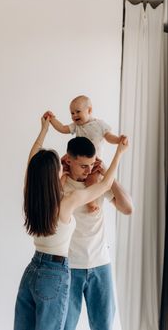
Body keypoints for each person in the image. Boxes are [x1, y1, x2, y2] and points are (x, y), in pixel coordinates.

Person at [13, 116, 128, 330]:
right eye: (59, 165)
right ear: (53, 175)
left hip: (32, 270)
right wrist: (119, 153)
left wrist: (44, 130)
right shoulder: (67, 203)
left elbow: (33, 161)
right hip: (54, 273)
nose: (63, 166)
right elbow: (104, 186)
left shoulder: (30, 194)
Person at [60, 136, 133, 330]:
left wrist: (107, 176)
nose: (89, 170)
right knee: (65, 326)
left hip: (101, 264)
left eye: (92, 164)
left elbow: (128, 208)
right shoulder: (61, 185)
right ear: (68, 159)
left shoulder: (98, 182)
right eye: (84, 165)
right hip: (69, 268)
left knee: (104, 326)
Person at [44, 94, 127, 212]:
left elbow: (109, 137)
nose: (74, 115)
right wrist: (52, 119)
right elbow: (62, 128)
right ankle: (58, 191)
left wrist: (118, 140)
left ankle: (91, 203)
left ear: (89, 110)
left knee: (91, 180)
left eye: (77, 112)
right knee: (61, 168)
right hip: (78, 157)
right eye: (72, 113)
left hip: (94, 161)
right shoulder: (76, 126)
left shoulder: (99, 125)